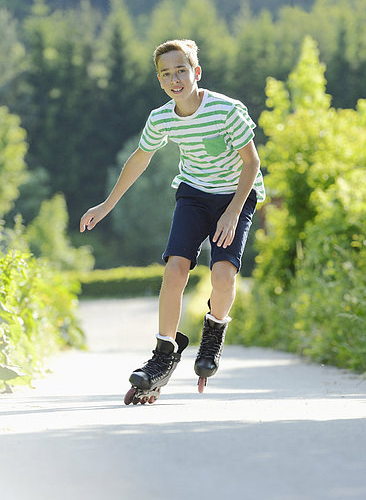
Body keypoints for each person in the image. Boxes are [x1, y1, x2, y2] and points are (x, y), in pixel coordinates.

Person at [80, 39, 265, 403]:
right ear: (160, 81)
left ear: (196, 72)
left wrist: (231, 212)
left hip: (236, 195)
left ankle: (213, 333)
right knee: (175, 270)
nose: (175, 78)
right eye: (166, 73)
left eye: (181, 70)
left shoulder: (227, 111)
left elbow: (252, 164)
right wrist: (106, 205)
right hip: (194, 194)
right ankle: (163, 355)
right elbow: (139, 159)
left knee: (223, 275)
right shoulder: (161, 117)